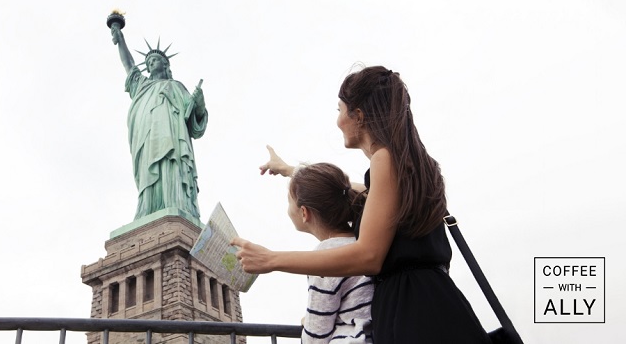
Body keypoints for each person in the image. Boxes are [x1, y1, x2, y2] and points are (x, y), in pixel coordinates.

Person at [232, 66, 491, 343]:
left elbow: (368, 255)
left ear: (358, 116)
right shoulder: (407, 162)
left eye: (339, 110)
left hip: (413, 314)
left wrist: (271, 260)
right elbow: (349, 191)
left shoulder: (384, 159)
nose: (338, 121)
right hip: (436, 306)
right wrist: (290, 170)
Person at [111, 23, 208, 220]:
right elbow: (128, 64)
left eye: (154, 60)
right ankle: (148, 208)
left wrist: (199, 104)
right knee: (149, 171)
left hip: (173, 138)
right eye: (148, 62)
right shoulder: (141, 85)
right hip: (147, 138)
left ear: (165, 64)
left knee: (171, 165)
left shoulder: (177, 87)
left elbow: (195, 124)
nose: (150, 64)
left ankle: (177, 203)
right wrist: (119, 38)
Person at [285, 162, 374, 343]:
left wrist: (308, 323)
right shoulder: (363, 244)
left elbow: (316, 335)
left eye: (288, 202)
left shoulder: (324, 257)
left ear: (304, 212)